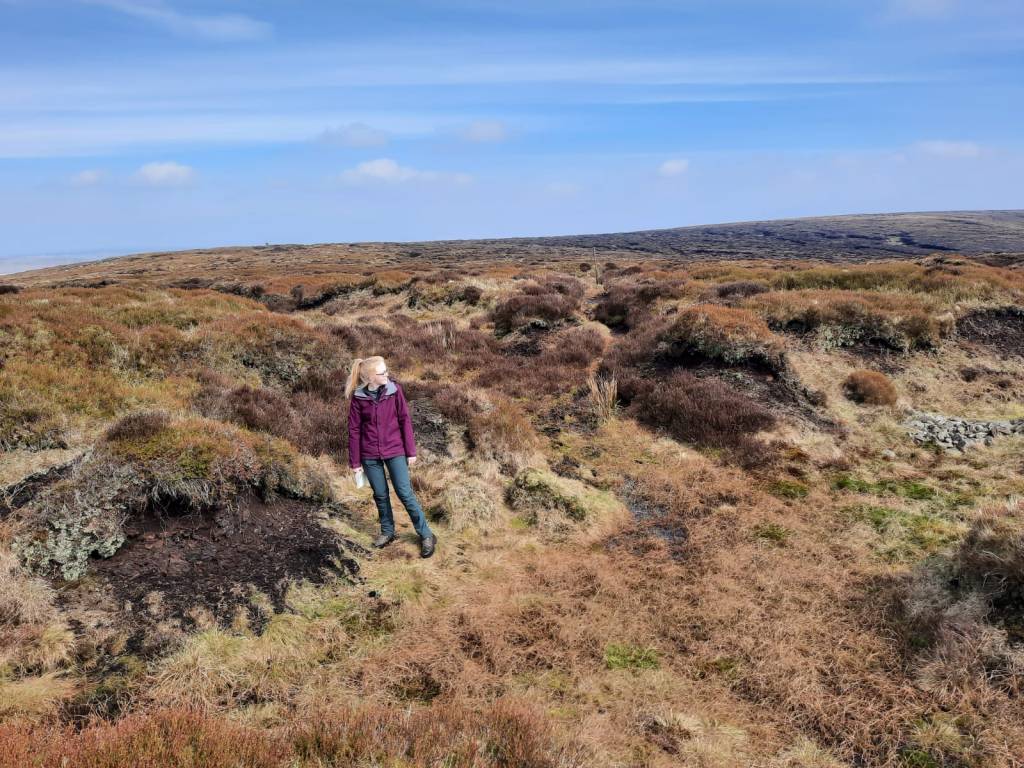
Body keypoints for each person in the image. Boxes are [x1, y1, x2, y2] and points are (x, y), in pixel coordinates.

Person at [345, 356, 437, 558]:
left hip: (395, 450)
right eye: (382, 372)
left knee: (405, 493)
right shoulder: (358, 398)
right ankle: (388, 532)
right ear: (370, 377)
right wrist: (356, 462)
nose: (387, 374)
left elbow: (405, 420)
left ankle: (426, 534)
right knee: (380, 495)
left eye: (386, 370)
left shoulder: (395, 391)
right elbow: (354, 431)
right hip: (369, 454)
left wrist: (411, 451)